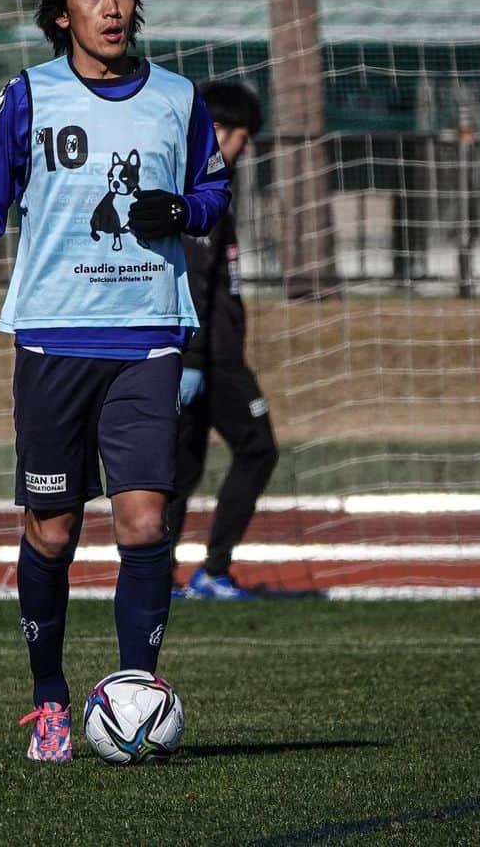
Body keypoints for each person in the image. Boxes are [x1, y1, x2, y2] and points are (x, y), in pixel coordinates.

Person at [0, 0, 229, 761]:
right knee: (55, 530)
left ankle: (136, 694)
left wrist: (188, 212)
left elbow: (213, 184)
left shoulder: (177, 96)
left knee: (143, 520)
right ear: (61, 12)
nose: (112, 6)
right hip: (54, 336)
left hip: (146, 339)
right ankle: (51, 699)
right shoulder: (29, 96)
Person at [166, 80, 279, 601]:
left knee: (183, 469)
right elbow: (192, 281)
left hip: (209, 357)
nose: (246, 147)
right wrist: (191, 359)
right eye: (242, 135)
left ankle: (167, 575)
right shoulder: (199, 194)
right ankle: (209, 570)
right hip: (208, 360)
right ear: (216, 131)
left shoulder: (214, 188)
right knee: (257, 449)